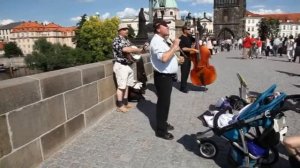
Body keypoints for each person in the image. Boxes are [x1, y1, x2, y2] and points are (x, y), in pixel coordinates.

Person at [150, 19, 184, 140]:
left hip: (167, 77)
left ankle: (163, 123)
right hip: (162, 77)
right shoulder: (156, 42)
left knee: (165, 103)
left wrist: (177, 61)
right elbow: (164, 58)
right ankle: (160, 130)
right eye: (165, 26)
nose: (168, 27)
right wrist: (175, 46)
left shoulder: (162, 41)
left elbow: (167, 57)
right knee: (163, 104)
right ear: (158, 28)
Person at [112, 23, 145, 113]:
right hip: (120, 66)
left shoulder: (126, 40)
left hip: (127, 65)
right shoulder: (117, 40)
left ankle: (125, 102)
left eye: (127, 29)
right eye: (124, 29)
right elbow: (125, 50)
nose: (126, 30)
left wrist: (138, 50)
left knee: (126, 85)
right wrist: (138, 50)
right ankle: (119, 105)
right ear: (119, 31)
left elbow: (131, 48)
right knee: (121, 86)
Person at [178, 26, 198, 93]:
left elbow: (196, 40)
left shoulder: (189, 37)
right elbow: (183, 48)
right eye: (188, 29)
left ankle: (184, 85)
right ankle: (182, 87)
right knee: (184, 73)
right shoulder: (181, 38)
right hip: (184, 58)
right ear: (184, 30)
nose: (190, 30)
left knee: (187, 73)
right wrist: (193, 49)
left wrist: (197, 34)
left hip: (189, 57)